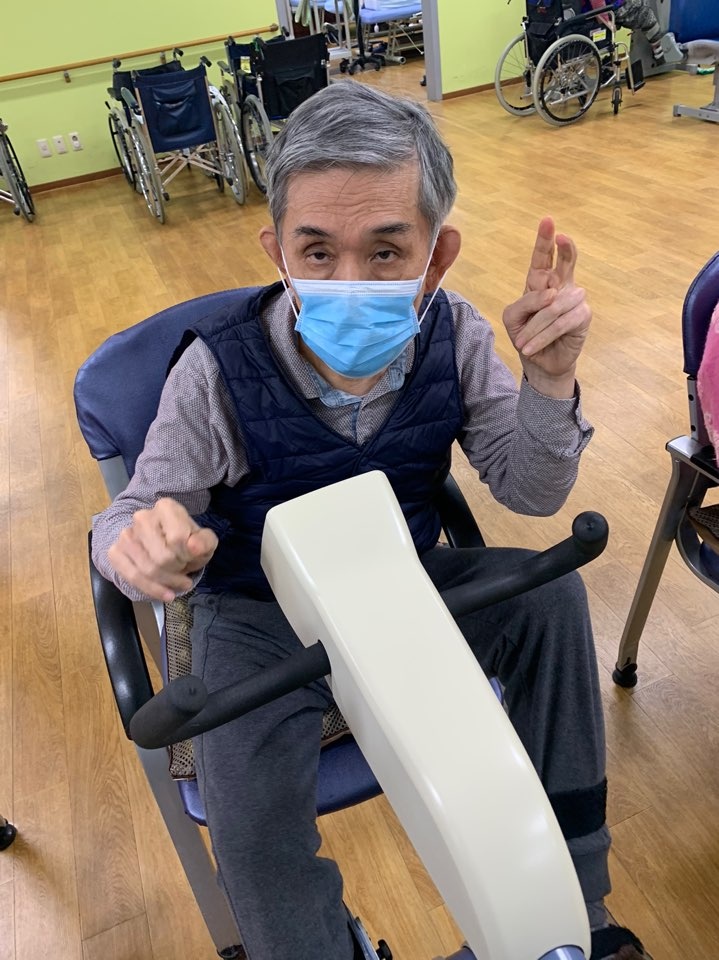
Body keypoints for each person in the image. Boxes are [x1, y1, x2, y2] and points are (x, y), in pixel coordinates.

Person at [92, 82, 652, 960]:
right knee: (249, 820)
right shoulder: (215, 372)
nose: (348, 281)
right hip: (257, 617)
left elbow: (531, 492)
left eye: (386, 251)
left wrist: (547, 382)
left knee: (549, 601)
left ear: (437, 256)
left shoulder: (455, 335)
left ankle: (579, 912)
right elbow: (130, 513)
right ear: (278, 251)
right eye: (317, 251)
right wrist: (138, 546)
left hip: (399, 579)